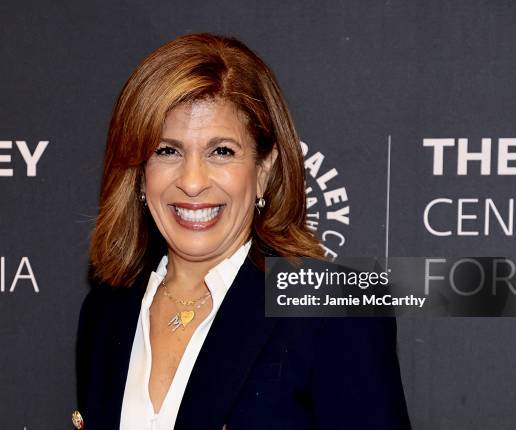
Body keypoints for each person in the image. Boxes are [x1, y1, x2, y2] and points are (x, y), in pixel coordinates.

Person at [74, 32, 411, 430]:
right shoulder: (107, 310)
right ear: (139, 175)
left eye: (222, 151)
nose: (193, 182)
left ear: (263, 170)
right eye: (167, 151)